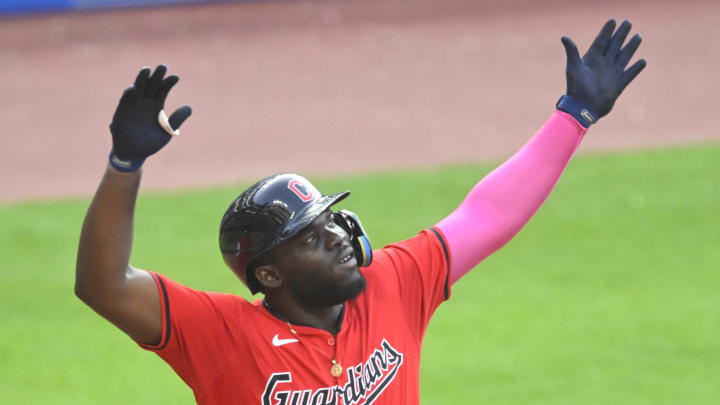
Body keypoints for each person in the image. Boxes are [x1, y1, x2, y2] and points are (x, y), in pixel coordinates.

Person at [75, 19, 646, 405]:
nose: (337, 236)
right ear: (269, 274)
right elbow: (103, 286)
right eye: (309, 236)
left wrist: (574, 115)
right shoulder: (223, 336)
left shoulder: (392, 284)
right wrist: (125, 165)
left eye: (329, 219)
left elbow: (487, 217)